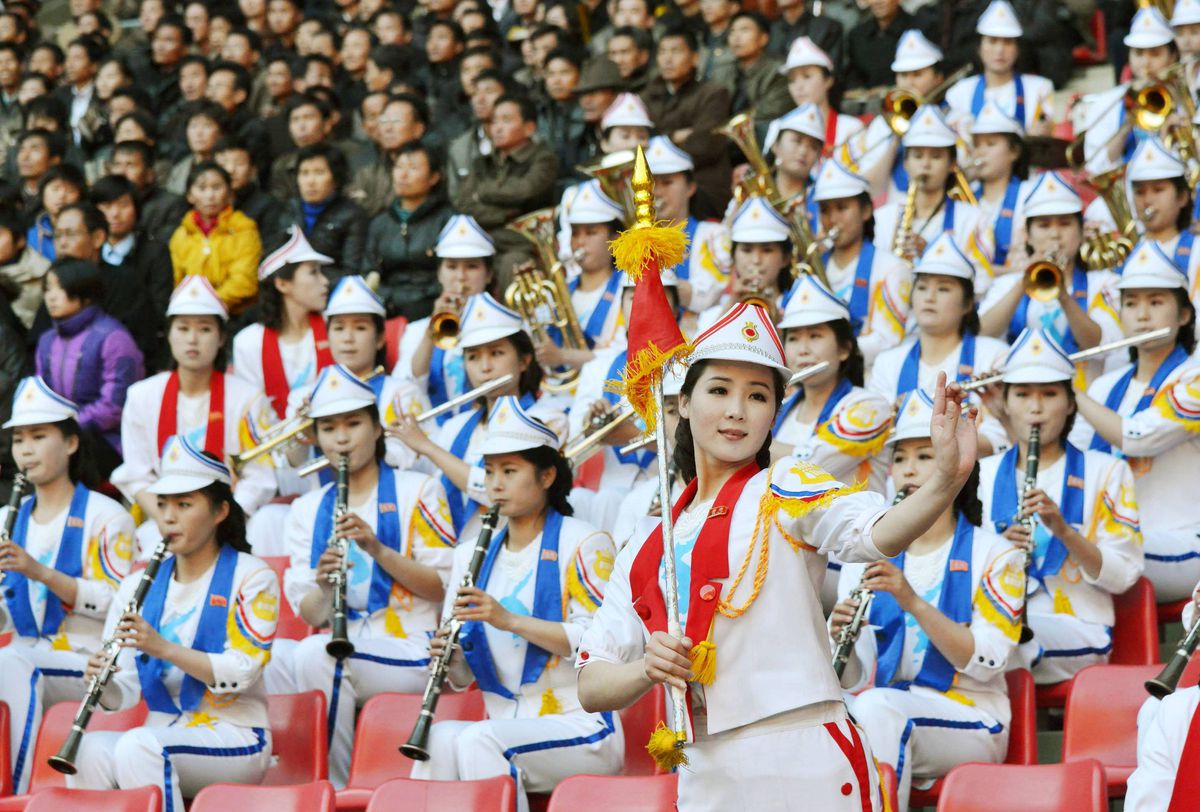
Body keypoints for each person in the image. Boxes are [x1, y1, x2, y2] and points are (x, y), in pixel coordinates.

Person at [575, 300, 981, 811]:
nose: (737, 410)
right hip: (705, 770)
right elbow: (591, 683)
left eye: (758, 395)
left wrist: (945, 480)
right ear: (681, 402)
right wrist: (647, 670)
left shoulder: (784, 485)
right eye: (719, 390)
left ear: (774, 411)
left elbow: (877, 534)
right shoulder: (642, 545)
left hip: (805, 749)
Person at [411, 395, 621, 811]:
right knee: (436, 739)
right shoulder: (469, 552)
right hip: (506, 722)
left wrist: (508, 620)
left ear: (546, 476)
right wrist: (449, 657)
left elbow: (600, 647)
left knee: (478, 739)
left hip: (580, 724)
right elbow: (463, 675)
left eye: (509, 471)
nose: (495, 485)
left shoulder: (584, 542)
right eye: (489, 473)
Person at [832, 386, 1025, 812]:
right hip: (887, 702)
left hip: (973, 716)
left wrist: (912, 601)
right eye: (899, 458)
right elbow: (854, 675)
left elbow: (989, 659)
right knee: (819, 712)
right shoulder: (866, 559)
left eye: (923, 456)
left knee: (879, 710)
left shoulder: (997, 554)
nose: (908, 470)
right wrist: (839, 634)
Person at [67, 436, 280, 811]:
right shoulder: (136, 586)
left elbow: (242, 671)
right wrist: (102, 682)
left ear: (219, 512)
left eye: (184, 504)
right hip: (163, 729)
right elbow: (127, 692)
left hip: (237, 734)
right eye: (163, 504)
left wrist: (162, 648)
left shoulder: (253, 577)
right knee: (88, 750)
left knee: (138, 746)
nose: (168, 516)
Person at [276, 364, 455, 787]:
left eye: (354, 424)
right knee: (276, 658)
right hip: (346, 640)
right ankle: (287, 778)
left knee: (316, 656)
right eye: (329, 428)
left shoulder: (419, 490)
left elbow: (441, 586)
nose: (342, 438)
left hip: (412, 645)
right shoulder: (305, 510)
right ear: (316, 438)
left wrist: (377, 549)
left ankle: (333, 786)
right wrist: (323, 584)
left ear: (376, 429)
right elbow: (312, 613)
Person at [976, 327, 1143, 685]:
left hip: (1080, 627)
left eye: (1050, 394)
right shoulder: (982, 473)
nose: (1036, 407)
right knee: (982, 639)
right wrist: (999, 548)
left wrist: (1064, 531)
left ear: (1070, 403)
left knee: (994, 644)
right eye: (1022, 395)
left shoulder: (1107, 470)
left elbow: (1124, 574)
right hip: (1000, 617)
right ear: (1004, 402)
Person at [0, 376, 135, 794]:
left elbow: (116, 602)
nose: (25, 449)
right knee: (13, 661)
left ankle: (17, 795)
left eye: (38, 437)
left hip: (83, 659)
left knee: (12, 663)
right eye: (19, 439)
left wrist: (39, 571)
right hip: (23, 653)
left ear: (71, 443)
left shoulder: (107, 515)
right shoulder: (7, 514)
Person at [1071, 240, 1200, 602]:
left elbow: (1138, 437)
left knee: (1089, 554)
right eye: (1131, 303)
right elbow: (1073, 461)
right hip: (1115, 537)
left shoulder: (1194, 378)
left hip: (1184, 543)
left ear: (1184, 315)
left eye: (1156, 302)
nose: (1142, 315)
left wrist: (1068, 390)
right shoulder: (1106, 385)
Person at [112, 277, 275, 557]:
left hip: (231, 519)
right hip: (166, 522)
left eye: (205, 329)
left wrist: (219, 520)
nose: (192, 338)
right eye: (183, 328)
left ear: (222, 338)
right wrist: (169, 519)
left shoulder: (248, 398)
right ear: (170, 333)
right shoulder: (141, 396)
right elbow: (137, 475)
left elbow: (260, 478)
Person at [390, 292, 565, 542]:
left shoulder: (548, 420)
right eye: (473, 357)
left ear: (524, 361)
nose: (485, 368)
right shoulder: (453, 427)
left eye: (496, 353)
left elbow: (493, 491)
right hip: (457, 553)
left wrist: (427, 446)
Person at [773, 275, 894, 609]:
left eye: (815, 335)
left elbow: (806, 467)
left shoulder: (868, 407)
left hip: (848, 562)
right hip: (786, 553)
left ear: (844, 349)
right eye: (794, 338)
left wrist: (743, 443)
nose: (804, 348)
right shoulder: (777, 408)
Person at [868, 233, 1009, 456]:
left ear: (968, 304)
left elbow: (1000, 439)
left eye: (943, 289)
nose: (929, 297)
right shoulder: (887, 362)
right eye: (922, 287)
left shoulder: (994, 355)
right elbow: (874, 439)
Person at [979, 171, 1119, 384]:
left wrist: (1062, 294)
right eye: (1044, 225)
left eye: (1065, 224)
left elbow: (1098, 345)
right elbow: (983, 334)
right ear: (1028, 234)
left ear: (1081, 232)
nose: (1055, 234)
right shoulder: (1005, 285)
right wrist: (1024, 281)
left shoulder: (1104, 283)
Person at [36, 258, 144, 478]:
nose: (51, 296)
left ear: (84, 293)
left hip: (106, 442)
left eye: (60, 288)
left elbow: (114, 406)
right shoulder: (47, 340)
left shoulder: (113, 338)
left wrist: (66, 427)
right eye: (48, 289)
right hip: (60, 437)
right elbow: (40, 395)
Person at [395, 215, 497, 423]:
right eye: (451, 267)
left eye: (471, 267)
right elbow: (411, 384)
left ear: (489, 275)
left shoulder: (506, 326)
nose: (460, 277)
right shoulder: (416, 330)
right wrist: (432, 328)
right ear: (439, 274)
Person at [809, 158, 911, 366]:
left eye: (842, 208)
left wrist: (834, 352)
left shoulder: (892, 269)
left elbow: (889, 340)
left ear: (865, 211)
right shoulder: (814, 267)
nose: (832, 219)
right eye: (826, 210)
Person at [872, 105, 992, 272]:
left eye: (936, 157)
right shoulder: (883, 218)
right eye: (918, 156)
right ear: (905, 163)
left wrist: (932, 254)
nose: (925, 165)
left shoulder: (974, 220)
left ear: (952, 164)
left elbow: (982, 280)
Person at [231, 227, 333, 421]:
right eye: (313, 272)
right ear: (282, 284)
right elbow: (253, 414)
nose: (325, 281)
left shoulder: (333, 327)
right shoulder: (248, 343)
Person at [362, 141, 454, 320]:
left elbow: (452, 274)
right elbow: (368, 271)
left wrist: (414, 299)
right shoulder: (380, 222)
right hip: (386, 306)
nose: (403, 175)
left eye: (413, 168)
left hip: (431, 306)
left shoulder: (447, 220)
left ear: (434, 177)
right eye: (399, 167)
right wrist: (388, 298)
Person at [944, 0, 1055, 135]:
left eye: (1008, 42)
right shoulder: (959, 93)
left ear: (1018, 49)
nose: (999, 50)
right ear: (979, 48)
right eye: (992, 41)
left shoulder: (1039, 89)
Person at [168, 160, 262, 315]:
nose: (210, 195)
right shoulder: (181, 235)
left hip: (235, 315)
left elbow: (245, 282)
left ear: (229, 193)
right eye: (202, 188)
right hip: (189, 313)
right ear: (190, 196)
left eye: (217, 187)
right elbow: (176, 281)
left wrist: (207, 305)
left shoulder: (244, 229)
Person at [964, 102, 1030, 273]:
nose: (981, 152)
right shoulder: (964, 197)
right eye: (977, 145)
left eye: (991, 144)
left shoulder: (1029, 194)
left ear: (1014, 152)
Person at [777, 36, 863, 155]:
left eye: (807, 76)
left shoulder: (852, 129)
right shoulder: (778, 127)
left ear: (828, 80)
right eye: (792, 80)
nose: (798, 86)